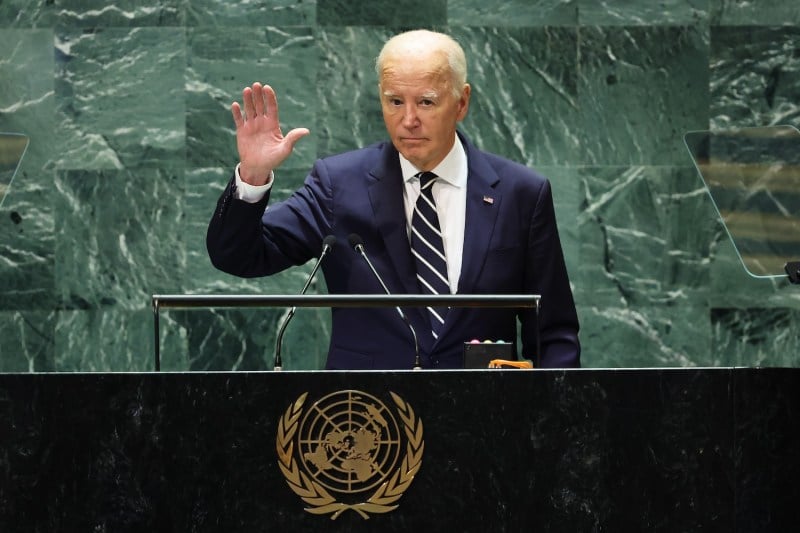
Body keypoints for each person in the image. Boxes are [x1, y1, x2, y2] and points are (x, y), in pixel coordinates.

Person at [207, 29, 580, 369]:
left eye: (427, 102)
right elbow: (238, 255)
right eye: (395, 101)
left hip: (485, 412)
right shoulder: (339, 185)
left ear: (461, 102)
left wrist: (552, 415)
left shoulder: (520, 193)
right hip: (368, 413)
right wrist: (252, 176)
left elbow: (553, 335)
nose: (409, 119)